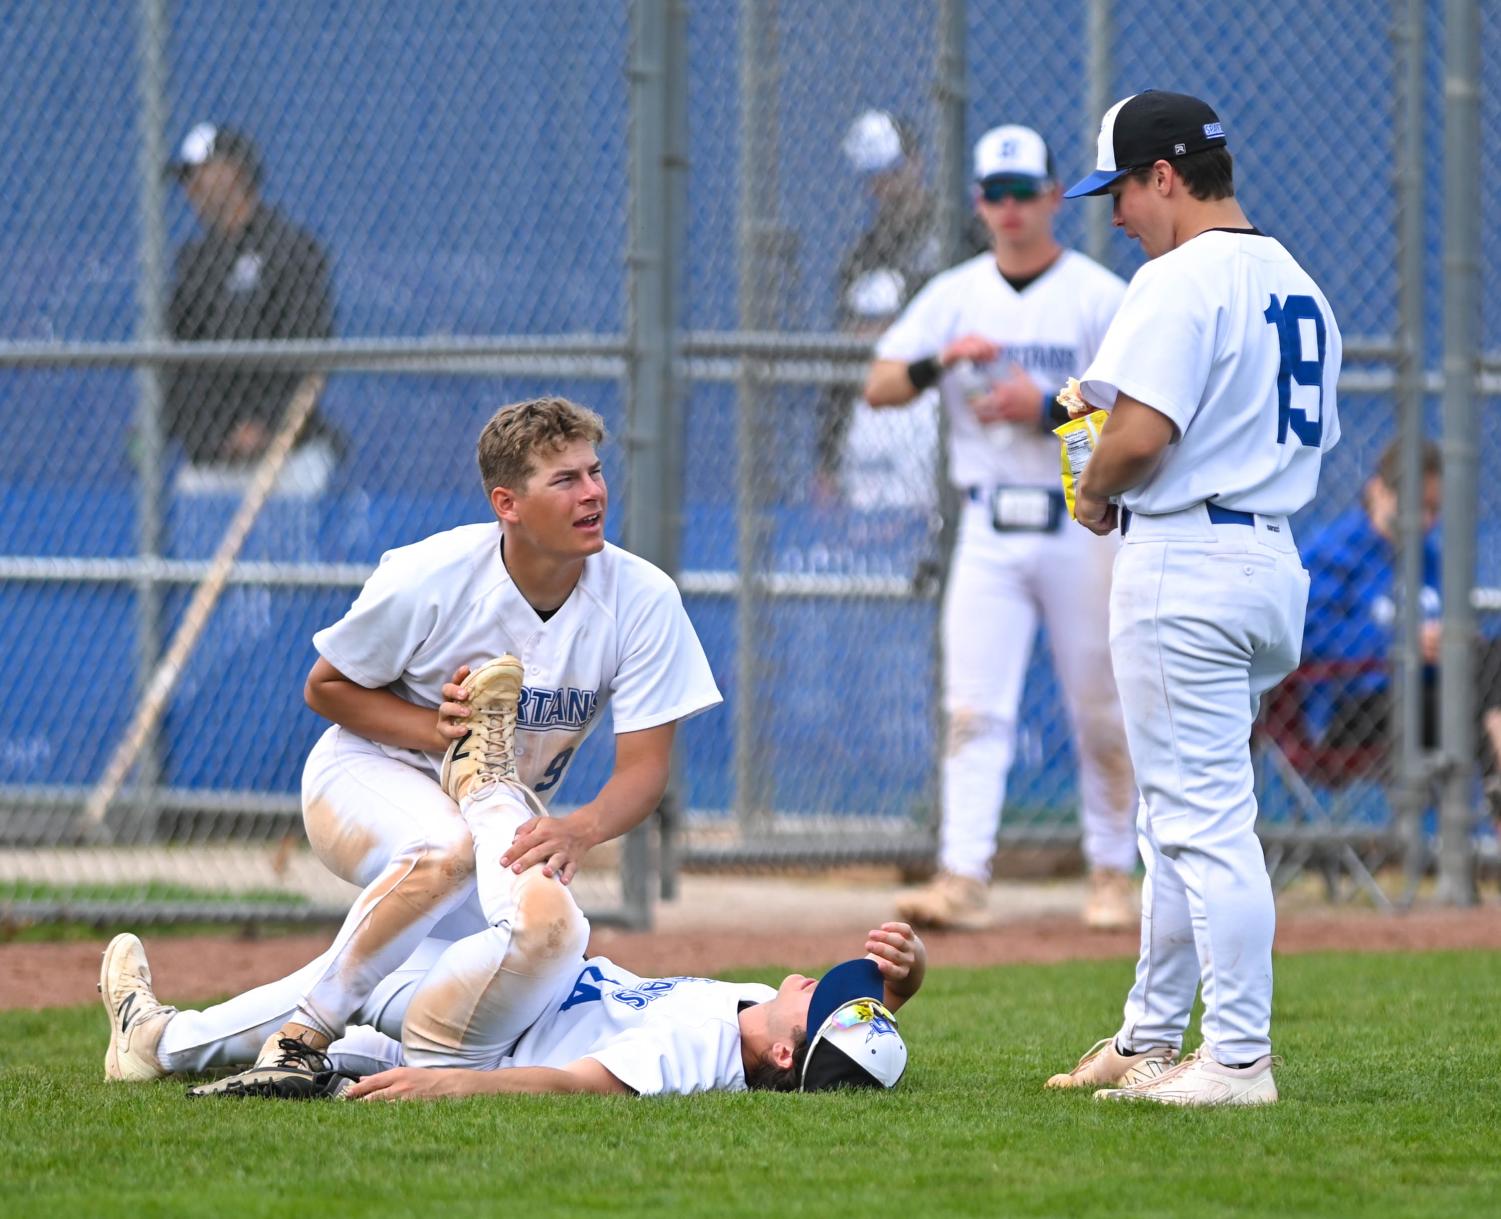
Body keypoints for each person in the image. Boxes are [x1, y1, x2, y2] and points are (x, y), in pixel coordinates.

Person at [109, 395, 723, 1097]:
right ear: (507, 502)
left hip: (494, 802)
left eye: (593, 471)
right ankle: (303, 1038)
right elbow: (327, 687)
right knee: (442, 852)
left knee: (524, 954)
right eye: (564, 479)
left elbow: (645, 769)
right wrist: (434, 729)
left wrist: (577, 828)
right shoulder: (432, 574)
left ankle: (158, 1039)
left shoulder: (641, 597)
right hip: (367, 771)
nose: (592, 493)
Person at [1045, 91, 1342, 1106]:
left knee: (1203, 819)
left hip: (1186, 561)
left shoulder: (1179, 276)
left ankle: (1239, 1060)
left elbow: (1138, 437)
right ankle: (1150, 1035)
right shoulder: (1293, 276)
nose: (1116, 213)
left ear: (1163, 175)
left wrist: (1092, 485)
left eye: (1122, 190)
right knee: (1176, 813)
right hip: (1264, 558)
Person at [863, 123, 1137, 931]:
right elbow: (879, 384)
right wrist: (938, 362)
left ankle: (1111, 873)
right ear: (978, 203)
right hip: (986, 522)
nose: (1011, 209)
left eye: (1025, 193)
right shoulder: (955, 293)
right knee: (973, 707)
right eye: (996, 194)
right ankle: (962, 874)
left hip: (1080, 520)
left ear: (1054, 196)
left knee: (1101, 706)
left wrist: (1045, 405)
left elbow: (1137, 402)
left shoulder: (1093, 293)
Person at [98, 921, 923, 1097]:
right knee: (342, 1008)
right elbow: (849, 1043)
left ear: (785, 1055)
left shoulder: (699, 1048)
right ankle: (172, 1041)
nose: (816, 978)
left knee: (363, 965)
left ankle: (156, 1039)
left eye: (823, 997)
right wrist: (901, 982)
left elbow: (575, 1084)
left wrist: (451, 1090)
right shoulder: (758, 1022)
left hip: (482, 1034)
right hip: (497, 1012)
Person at [1302, 440, 1501, 814]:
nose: (1425, 521)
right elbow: (1309, 638)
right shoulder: (1334, 552)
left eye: (1433, 510)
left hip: (1430, 693)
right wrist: (1402, 643)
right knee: (1470, 710)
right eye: (1416, 507)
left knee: (1492, 658)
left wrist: (1452, 643)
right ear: (1379, 491)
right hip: (1353, 707)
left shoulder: (1428, 558)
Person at [820, 110, 987, 513]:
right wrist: (826, 459)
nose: (885, 187)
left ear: (916, 163)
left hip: (952, 406)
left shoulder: (963, 239)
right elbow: (842, 369)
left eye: (893, 172)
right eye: (875, 177)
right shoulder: (862, 256)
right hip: (886, 408)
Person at [166, 122, 337, 497]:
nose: (189, 189)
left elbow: (311, 357)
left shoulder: (290, 248)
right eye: (184, 179)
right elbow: (175, 360)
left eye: (198, 175)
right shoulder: (193, 263)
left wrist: (267, 425)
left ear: (234, 172)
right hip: (211, 461)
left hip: (284, 460)